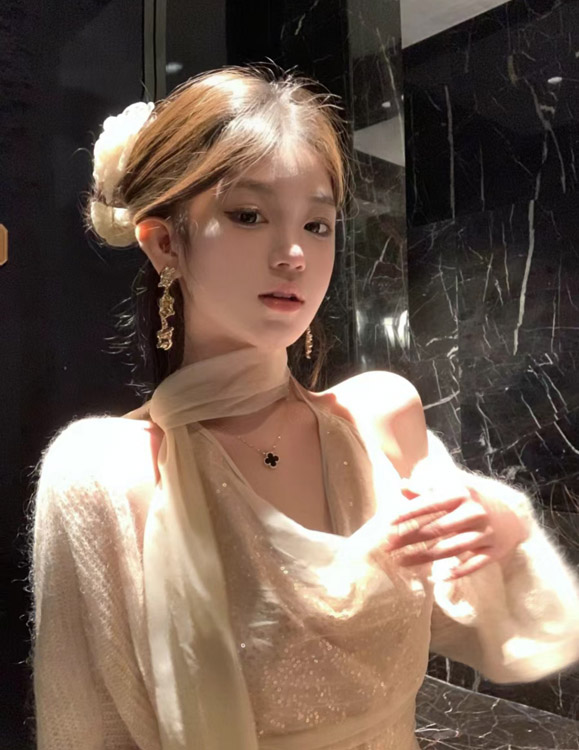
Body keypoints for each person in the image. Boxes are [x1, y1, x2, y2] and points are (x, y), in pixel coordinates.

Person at [27, 63, 579, 750]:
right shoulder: (106, 473)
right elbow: (85, 731)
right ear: (166, 241)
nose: (293, 255)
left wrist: (497, 532)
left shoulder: (379, 417)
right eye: (248, 215)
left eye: (317, 224)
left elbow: (482, 628)